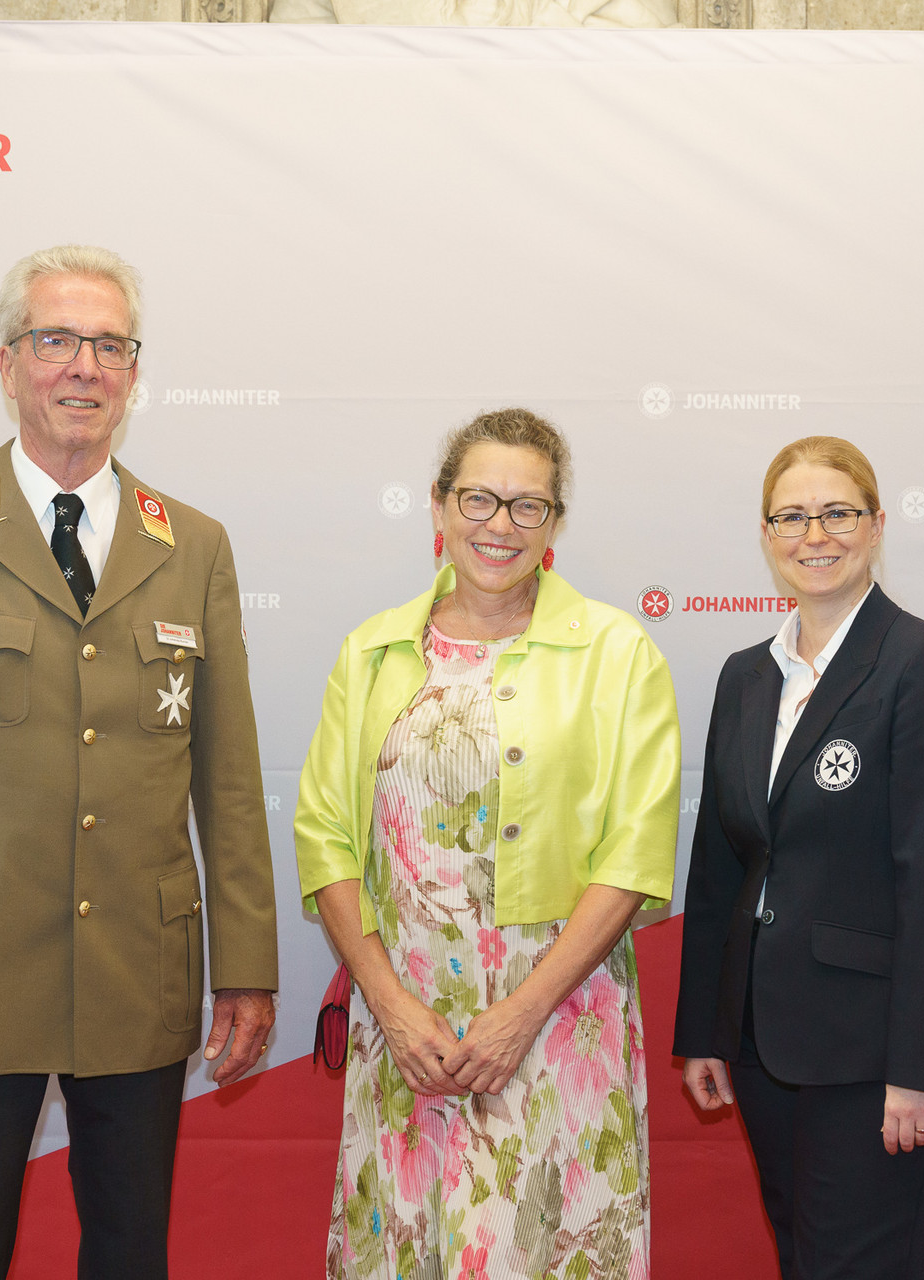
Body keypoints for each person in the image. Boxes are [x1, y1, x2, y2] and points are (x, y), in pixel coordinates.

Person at [0, 244, 280, 1280]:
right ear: (8, 363)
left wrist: (246, 962)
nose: (84, 365)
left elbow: (230, 777)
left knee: (130, 1256)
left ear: (133, 370)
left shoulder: (193, 543)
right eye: (57, 340)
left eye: (109, 345)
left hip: (138, 975)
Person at [294, 409, 679, 1280]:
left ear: (555, 524)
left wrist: (519, 1015)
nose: (498, 525)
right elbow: (324, 838)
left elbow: (635, 853)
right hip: (405, 1024)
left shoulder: (618, 655)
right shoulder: (373, 651)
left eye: (527, 506)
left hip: (555, 1020)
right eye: (478, 499)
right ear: (437, 507)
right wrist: (388, 1005)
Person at [673, 435, 924, 1280]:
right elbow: (720, 868)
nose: (815, 535)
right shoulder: (746, 676)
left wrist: (921, 1069)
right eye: (792, 517)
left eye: (837, 513)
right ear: (767, 533)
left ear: (877, 525)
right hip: (766, 1047)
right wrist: (706, 1030)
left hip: (878, 1058)